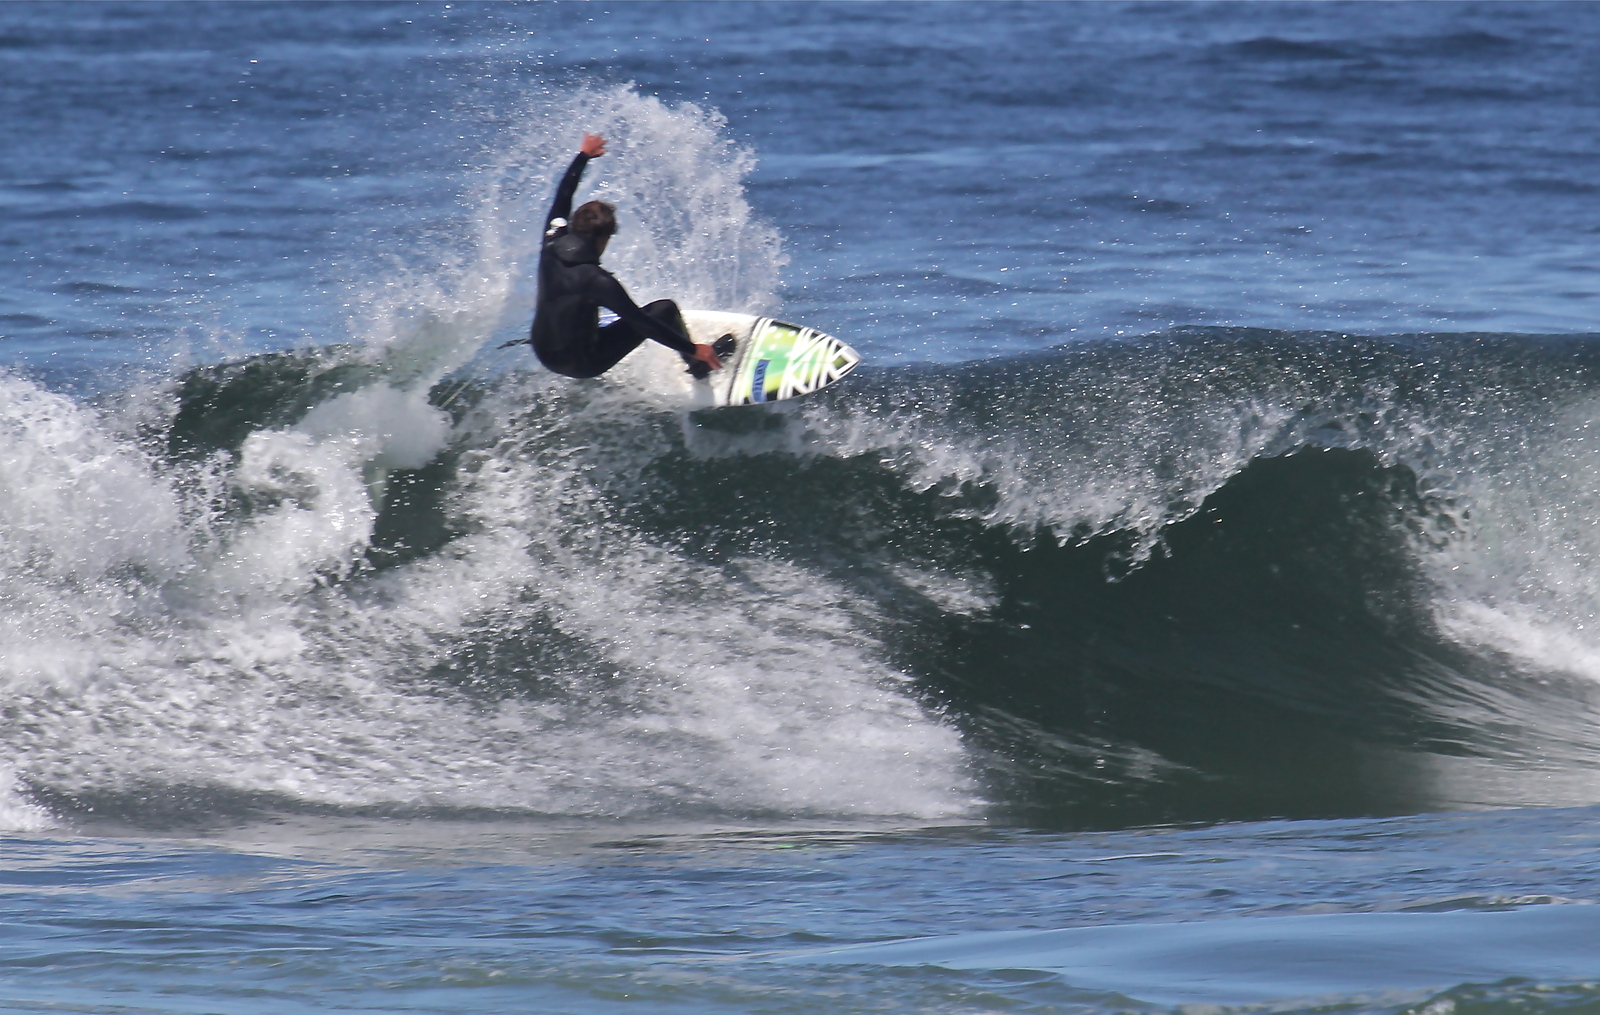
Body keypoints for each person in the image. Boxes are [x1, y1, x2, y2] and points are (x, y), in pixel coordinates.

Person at [507, 132, 724, 380]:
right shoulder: (597, 281)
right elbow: (642, 323)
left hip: (544, 352)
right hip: (582, 365)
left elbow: (563, 196)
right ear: (603, 239)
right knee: (664, 310)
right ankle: (698, 364)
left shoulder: (552, 239)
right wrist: (693, 348)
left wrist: (583, 156)